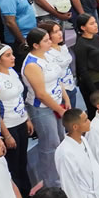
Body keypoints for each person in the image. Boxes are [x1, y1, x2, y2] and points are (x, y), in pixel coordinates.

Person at [21, 28, 67, 188]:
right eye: (46, 40)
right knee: (50, 145)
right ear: (35, 45)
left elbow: (57, 79)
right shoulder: (32, 64)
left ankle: (64, 175)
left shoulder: (48, 55)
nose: (50, 42)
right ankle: (52, 184)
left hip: (56, 102)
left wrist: (65, 98)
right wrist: (59, 109)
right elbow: (41, 93)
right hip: (42, 108)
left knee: (61, 140)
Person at [0, 44, 33, 198]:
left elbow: (19, 98)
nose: (13, 57)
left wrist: (27, 118)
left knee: (23, 161)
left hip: (20, 121)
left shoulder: (12, 71)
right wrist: (6, 134)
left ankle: (26, 194)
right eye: (8, 55)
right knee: (13, 165)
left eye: (12, 54)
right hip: (9, 126)